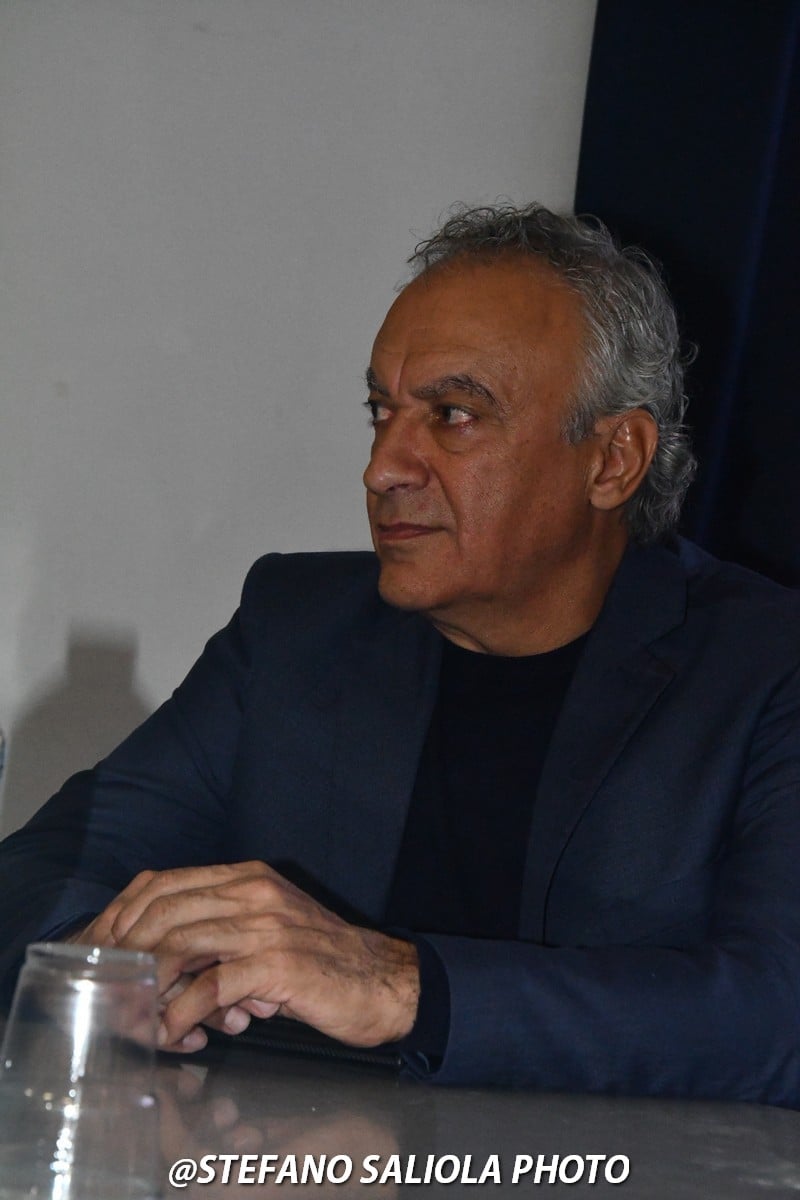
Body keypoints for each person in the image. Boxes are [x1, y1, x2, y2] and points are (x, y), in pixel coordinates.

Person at [1, 204, 799, 1107]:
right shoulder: (298, 631)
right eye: (381, 412)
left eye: (453, 415)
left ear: (613, 460)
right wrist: (121, 970)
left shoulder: (765, 666)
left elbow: (779, 1016)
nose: (383, 467)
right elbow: (36, 876)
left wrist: (402, 988)